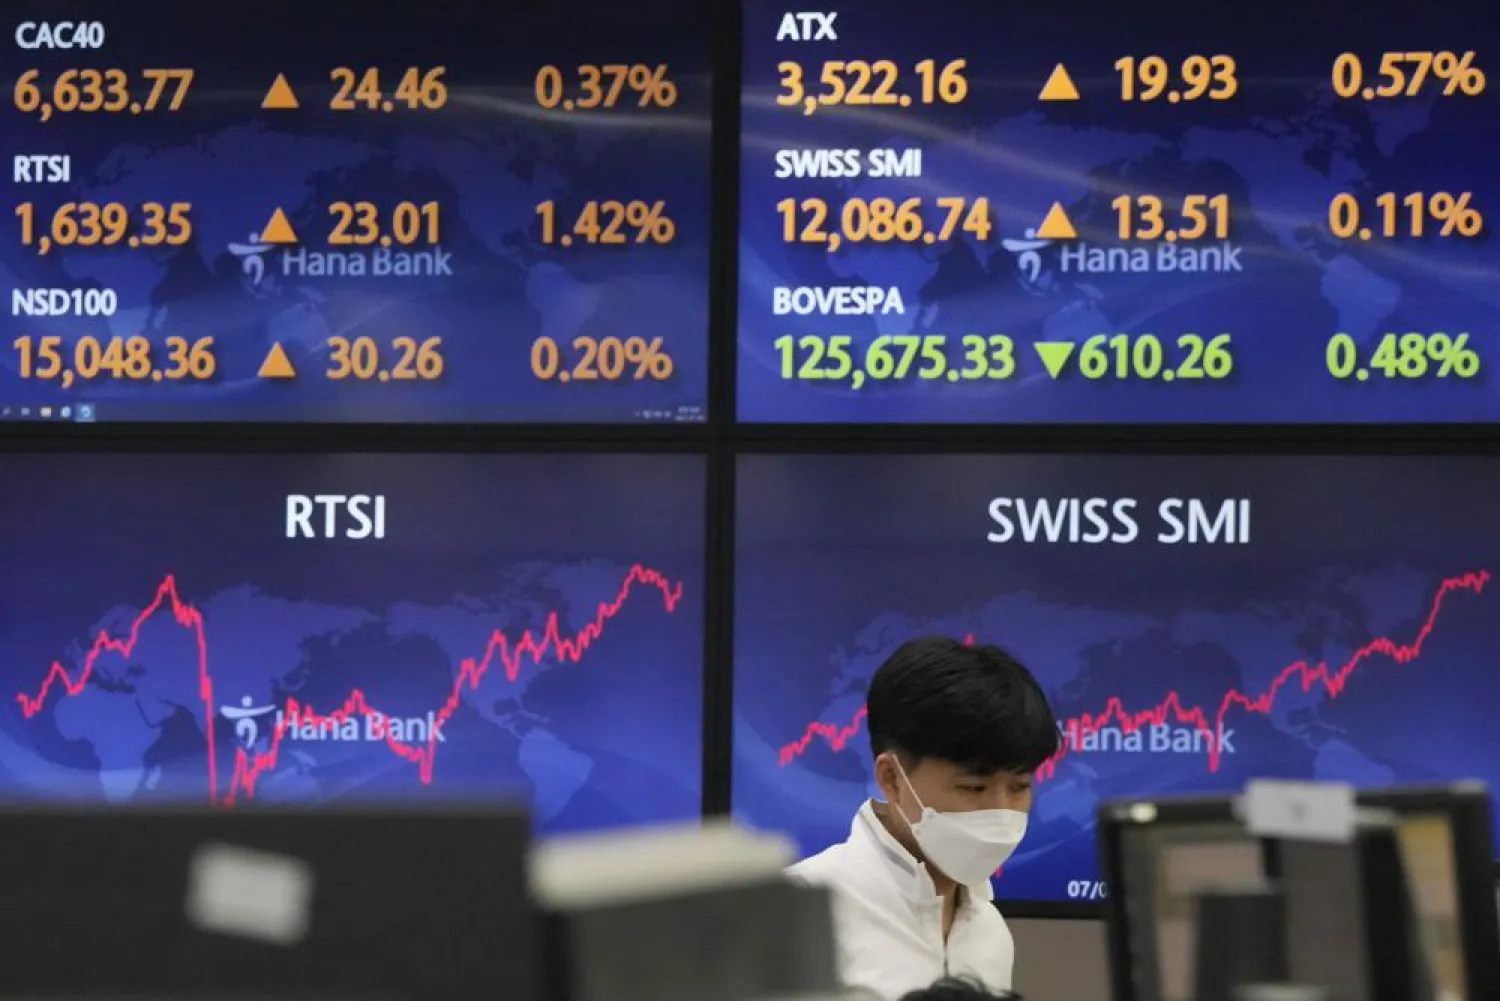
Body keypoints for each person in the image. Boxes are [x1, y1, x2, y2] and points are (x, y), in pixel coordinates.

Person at [787, 636, 1060, 1001]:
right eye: (973, 787)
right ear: (892, 778)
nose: (1002, 810)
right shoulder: (799, 915)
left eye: (1020, 787)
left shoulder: (990, 934)